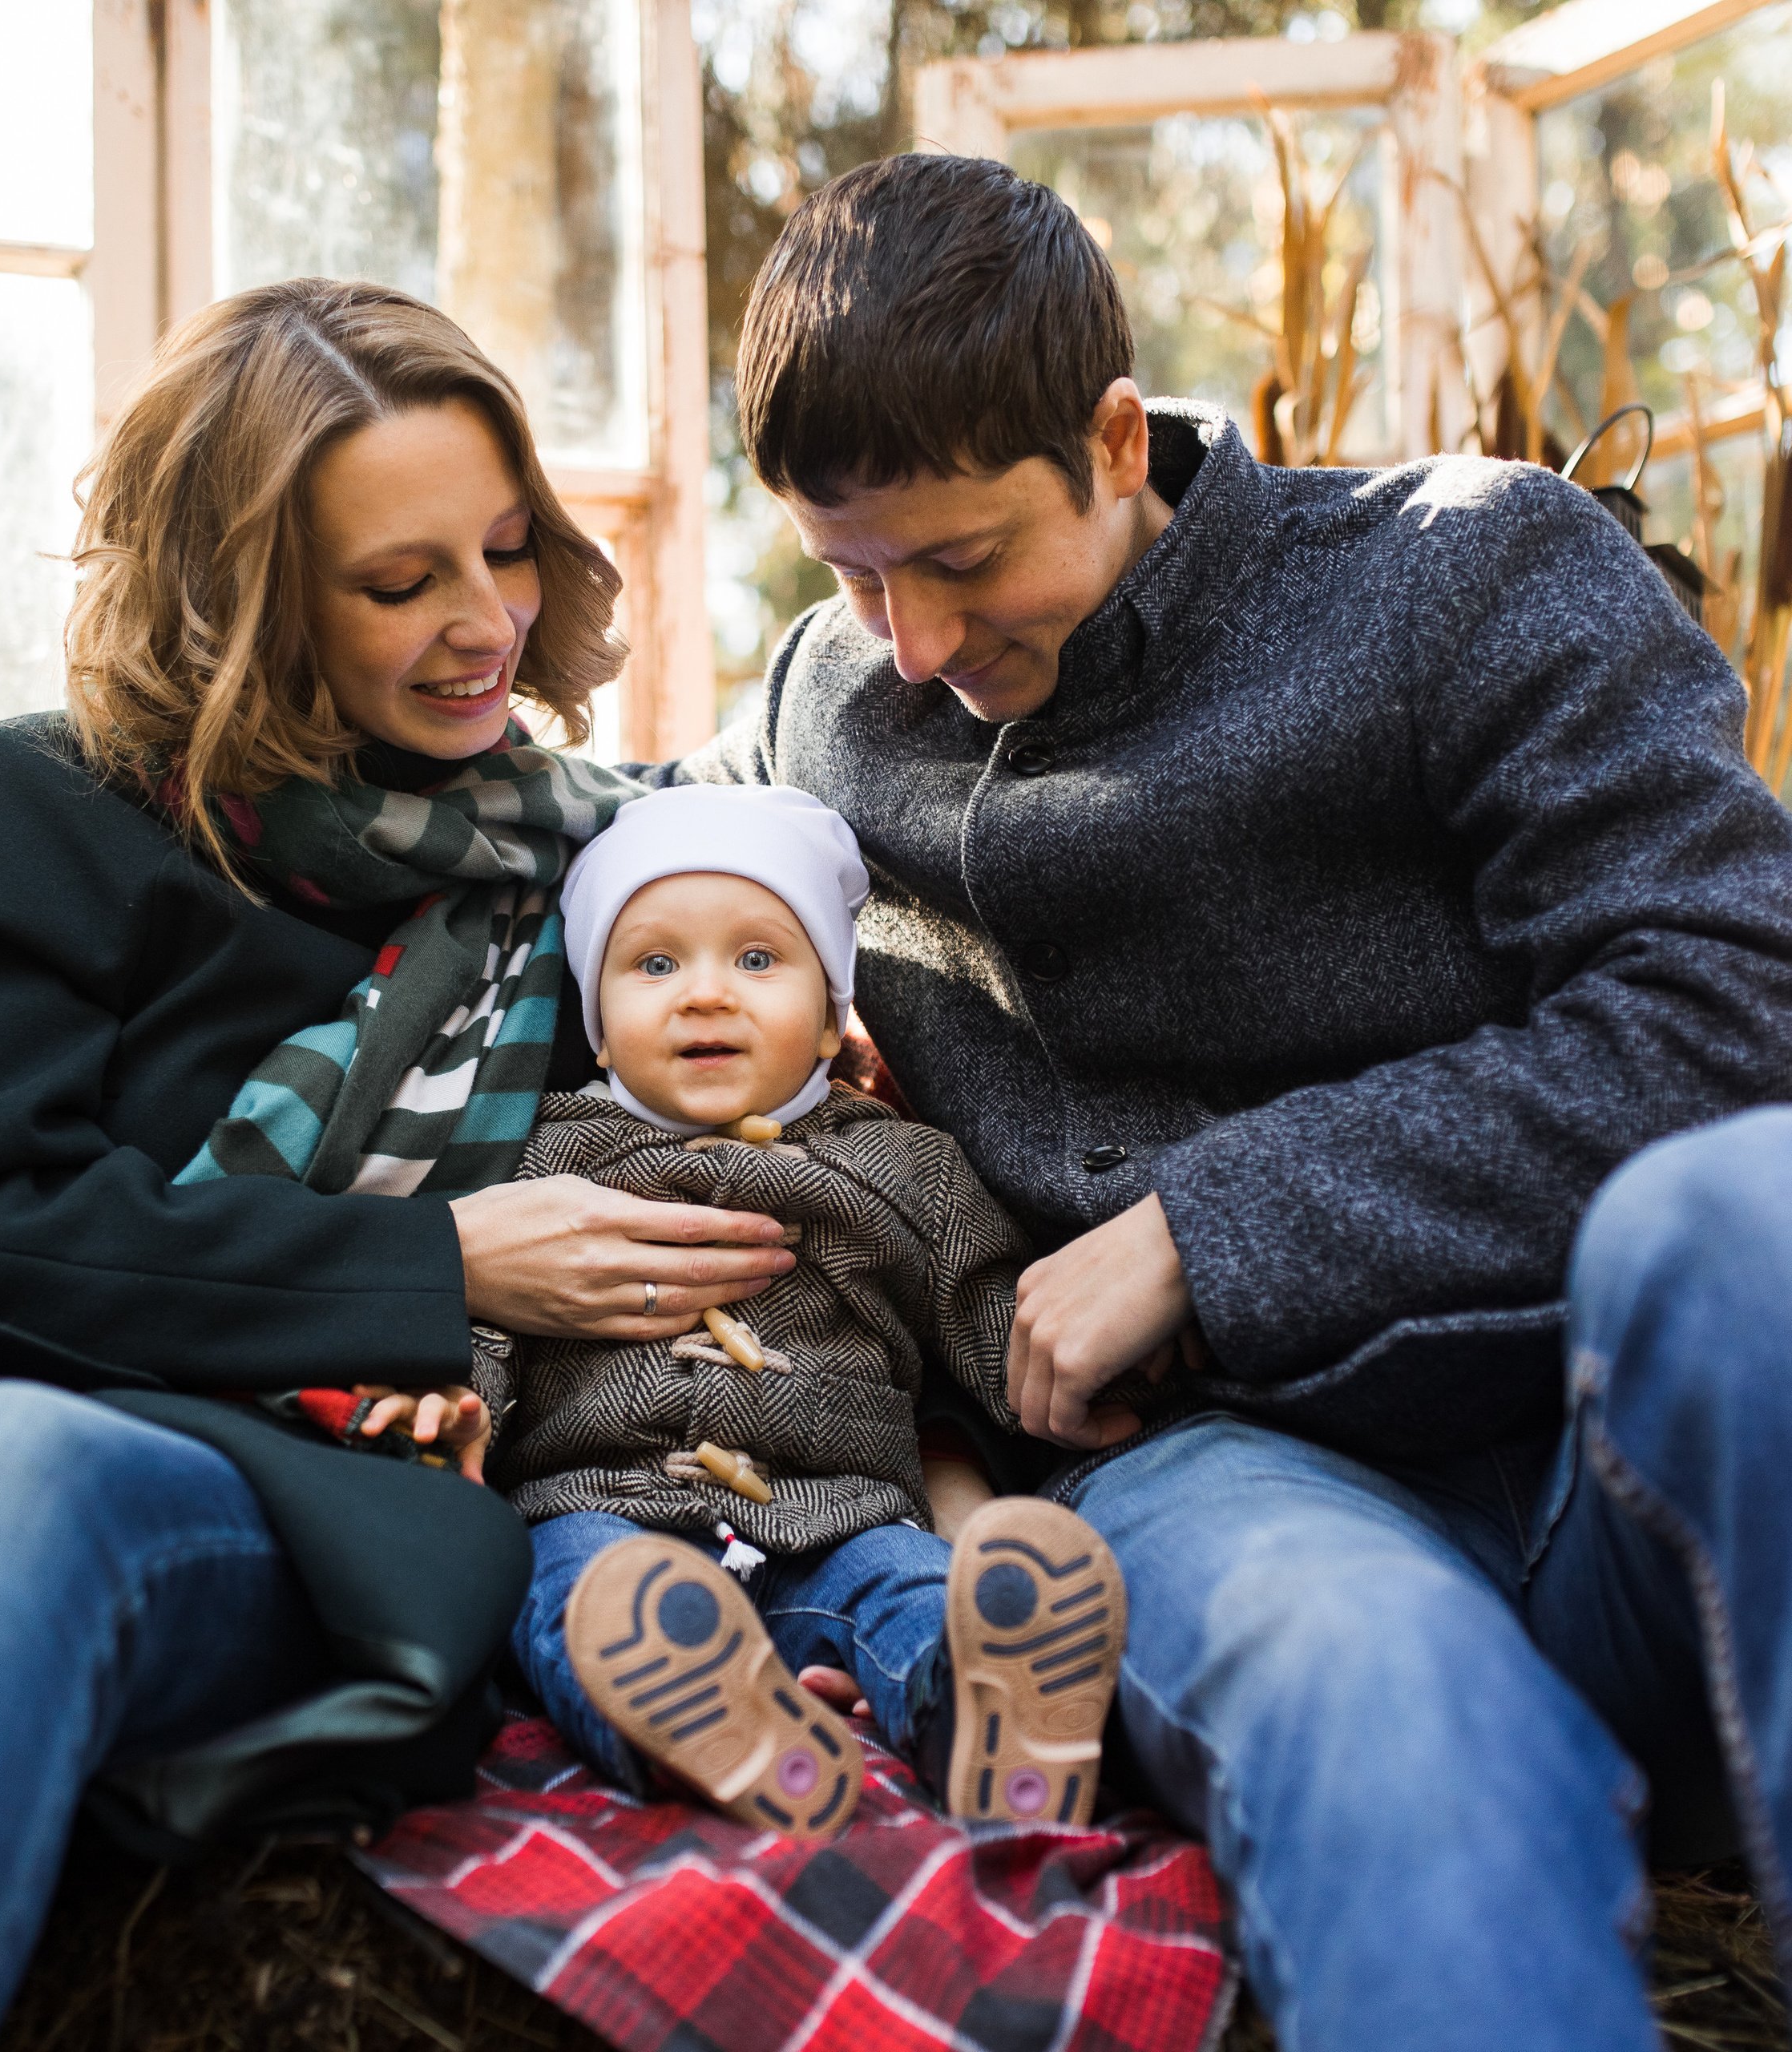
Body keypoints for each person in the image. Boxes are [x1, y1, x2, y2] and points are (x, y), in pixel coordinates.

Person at [639, 152, 1792, 2049]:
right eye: (845, 568)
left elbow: (1735, 1004)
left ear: (1110, 437)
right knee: (1375, 1679)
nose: (907, 639)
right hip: (1227, 1499)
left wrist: (1206, 1223)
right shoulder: (820, 700)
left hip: (1620, 1451)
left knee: (1747, 1214)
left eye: (959, 557)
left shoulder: (1467, 570)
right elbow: (601, 869)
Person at [0, 280, 794, 2052]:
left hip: (297, 1489)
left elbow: (784, 978)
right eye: (401, 583)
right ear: (238, 602)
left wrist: (821, 1028)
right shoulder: (35, 809)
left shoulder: (600, 879)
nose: (485, 625)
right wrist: (439, 1263)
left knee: (15, 1460)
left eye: (502, 548)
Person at [430, 782, 1120, 1835]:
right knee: (567, 1596)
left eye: (757, 959)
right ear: (599, 1029)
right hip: (598, 1506)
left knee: (905, 1593)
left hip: (836, 1513)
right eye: (654, 964)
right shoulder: (549, 1165)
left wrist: (1091, 1389)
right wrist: (454, 1423)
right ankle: (698, 1715)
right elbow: (484, 1322)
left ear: (834, 1012)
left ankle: (989, 1717)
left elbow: (987, 1312)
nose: (706, 994)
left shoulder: (904, 1166)